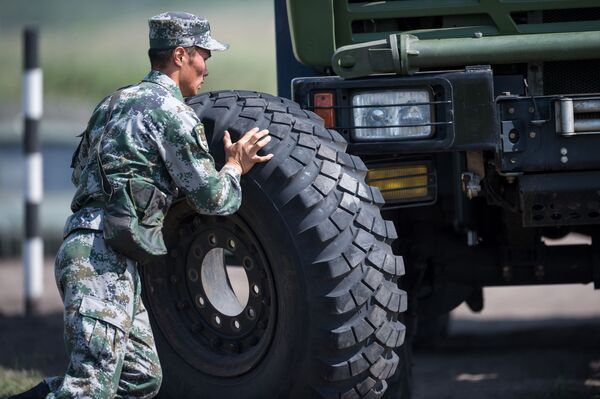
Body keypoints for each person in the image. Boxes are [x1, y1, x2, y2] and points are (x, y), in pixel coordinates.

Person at [10, 11, 272, 399]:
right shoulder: (174, 115)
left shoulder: (112, 103)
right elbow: (214, 199)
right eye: (204, 54)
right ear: (181, 55)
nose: (208, 65)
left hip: (96, 248)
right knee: (90, 387)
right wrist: (235, 166)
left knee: (141, 377)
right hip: (101, 258)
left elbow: (82, 171)